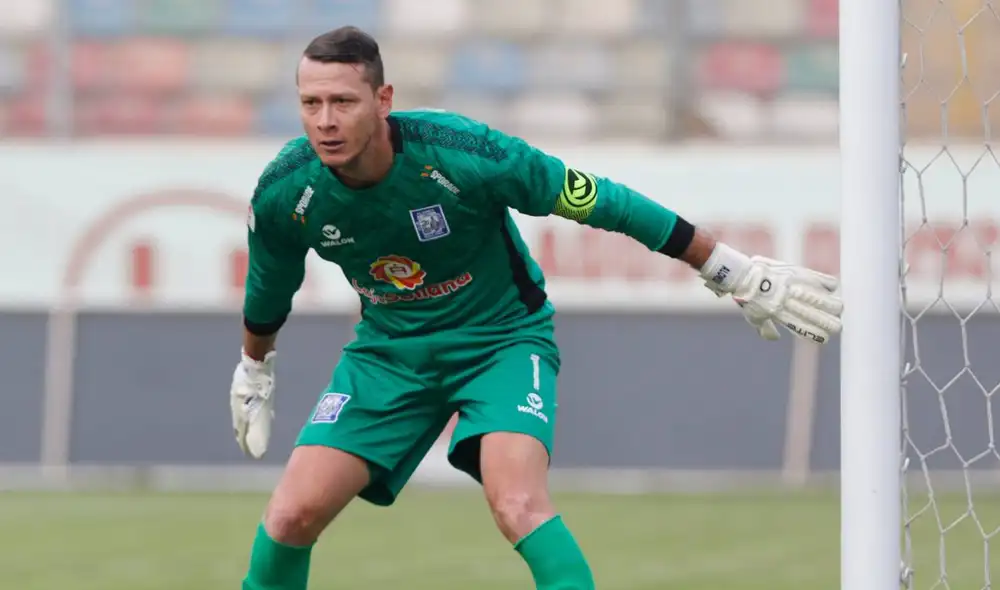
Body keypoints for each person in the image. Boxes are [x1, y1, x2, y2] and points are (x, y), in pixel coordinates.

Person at [232, 26, 843, 590]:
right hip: (388, 355)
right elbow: (268, 290)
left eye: (344, 101)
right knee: (290, 515)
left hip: (500, 343)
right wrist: (254, 368)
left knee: (517, 505)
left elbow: (603, 202)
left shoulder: (463, 153)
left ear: (383, 99)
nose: (326, 121)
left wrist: (724, 266)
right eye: (311, 104)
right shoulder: (288, 190)